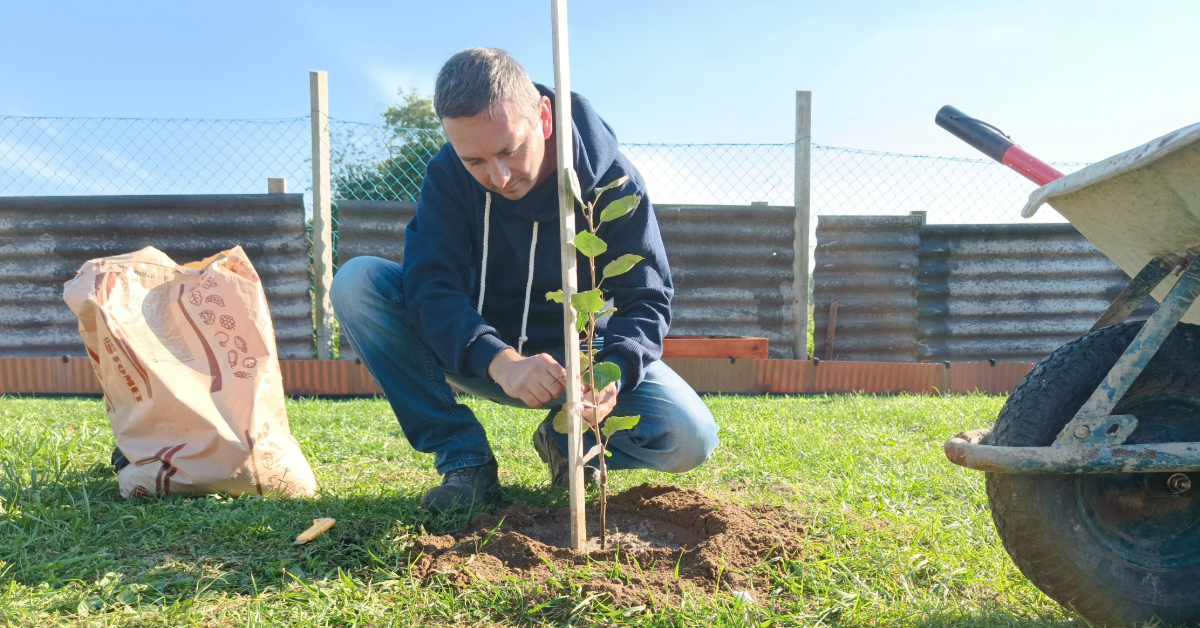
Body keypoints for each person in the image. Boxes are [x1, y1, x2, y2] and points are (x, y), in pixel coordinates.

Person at [330, 47, 718, 515]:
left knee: (689, 436)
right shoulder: (448, 178)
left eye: (509, 150)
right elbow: (431, 286)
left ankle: (562, 435)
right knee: (358, 282)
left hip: (580, 363)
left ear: (545, 116)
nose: (498, 176)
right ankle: (465, 462)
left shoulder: (613, 185)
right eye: (474, 160)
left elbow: (647, 297)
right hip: (477, 350)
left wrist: (611, 371)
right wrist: (501, 361)